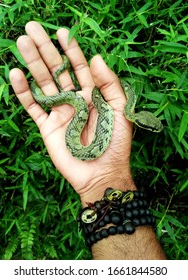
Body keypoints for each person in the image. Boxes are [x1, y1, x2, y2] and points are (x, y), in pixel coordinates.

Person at [9, 21, 166, 260]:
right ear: (139, 120)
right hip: (80, 115)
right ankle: (54, 90)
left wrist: (105, 179)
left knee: (74, 100)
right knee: (72, 101)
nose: (152, 127)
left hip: (96, 158)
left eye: (151, 126)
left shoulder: (126, 104)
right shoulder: (121, 103)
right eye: (150, 126)